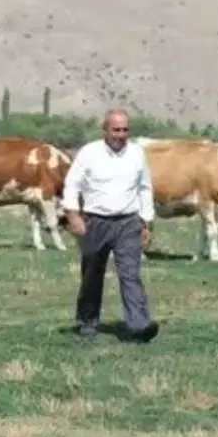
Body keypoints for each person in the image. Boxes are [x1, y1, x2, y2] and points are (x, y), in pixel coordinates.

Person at [60, 108, 159, 343]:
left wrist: (147, 223)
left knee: (130, 274)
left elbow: (144, 188)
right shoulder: (89, 153)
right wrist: (73, 216)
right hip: (95, 222)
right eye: (116, 130)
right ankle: (87, 321)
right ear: (105, 130)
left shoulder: (136, 154)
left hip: (128, 222)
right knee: (92, 273)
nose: (121, 134)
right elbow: (72, 184)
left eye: (125, 130)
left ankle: (139, 326)